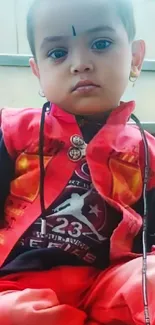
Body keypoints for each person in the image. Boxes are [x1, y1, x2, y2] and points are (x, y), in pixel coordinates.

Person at [0, 0, 155, 324]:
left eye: (101, 44)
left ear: (136, 58)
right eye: (58, 53)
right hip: (13, 285)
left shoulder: (147, 153)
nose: (81, 64)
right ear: (38, 72)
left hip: (108, 284)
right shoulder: (14, 132)